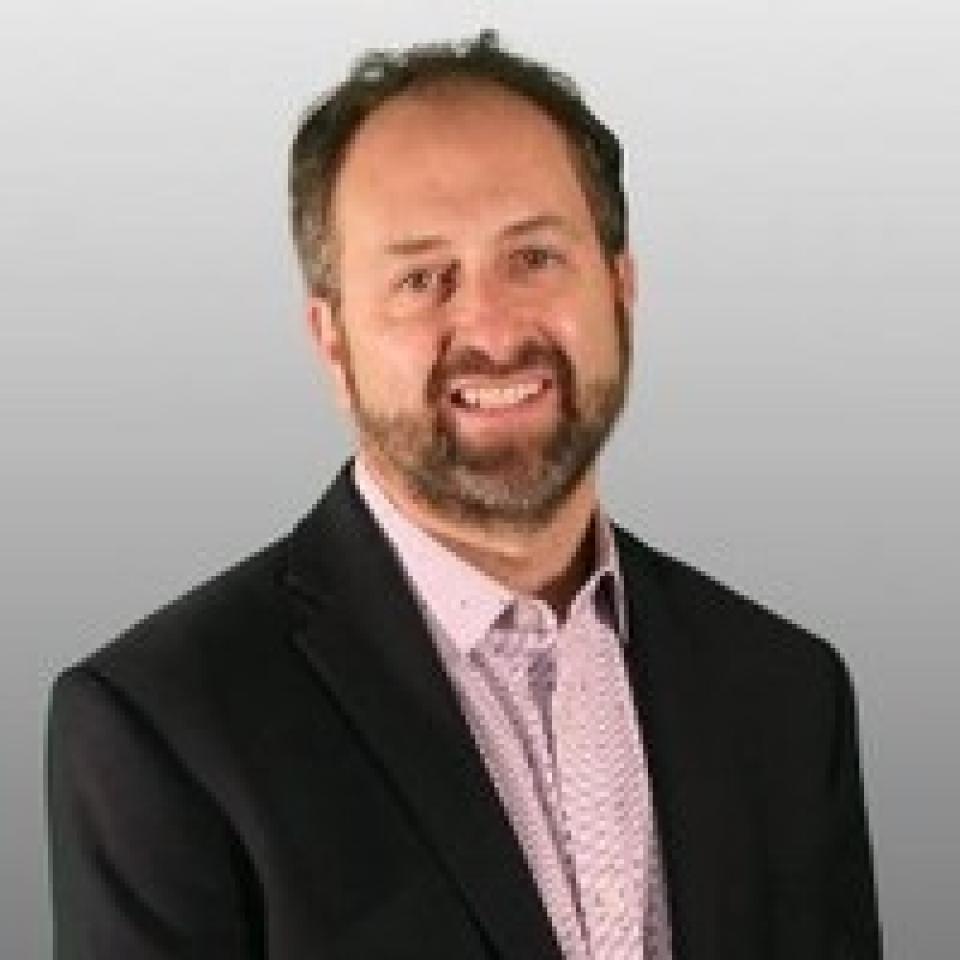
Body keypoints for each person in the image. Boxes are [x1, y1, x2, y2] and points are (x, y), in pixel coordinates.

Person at [45, 31, 883, 960]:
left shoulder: (787, 694)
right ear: (332, 340)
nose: (490, 328)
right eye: (421, 278)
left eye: (533, 258)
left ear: (621, 285)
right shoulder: (165, 727)